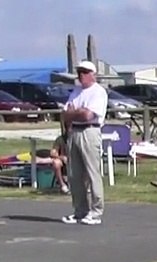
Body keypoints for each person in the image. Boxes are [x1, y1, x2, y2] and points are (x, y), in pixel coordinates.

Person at [60, 61, 108, 225]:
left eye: (85, 72)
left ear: (93, 73)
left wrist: (75, 112)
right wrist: (75, 113)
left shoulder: (98, 92)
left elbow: (88, 115)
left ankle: (96, 211)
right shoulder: (76, 91)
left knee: (92, 172)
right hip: (74, 132)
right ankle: (80, 210)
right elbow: (65, 113)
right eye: (79, 72)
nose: (82, 75)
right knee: (75, 174)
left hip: (90, 131)